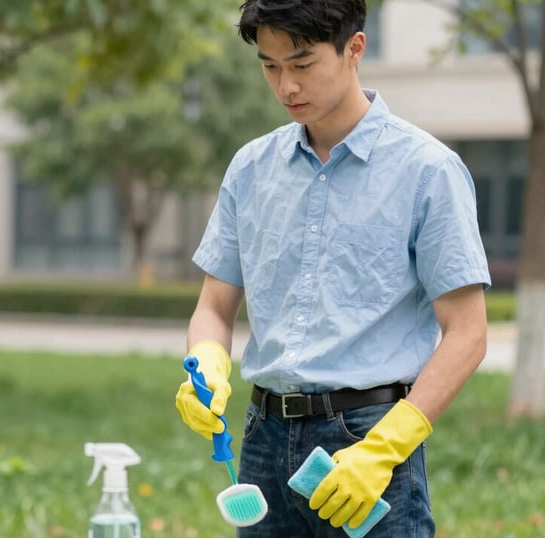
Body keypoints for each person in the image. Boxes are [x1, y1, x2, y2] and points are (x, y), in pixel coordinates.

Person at [174, 0, 491, 536]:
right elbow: (214, 305)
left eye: (302, 64)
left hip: (369, 438)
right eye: (270, 66)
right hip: (262, 442)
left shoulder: (427, 170)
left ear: (354, 49)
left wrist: (383, 450)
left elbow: (468, 333)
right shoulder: (251, 168)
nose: (286, 87)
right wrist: (205, 362)